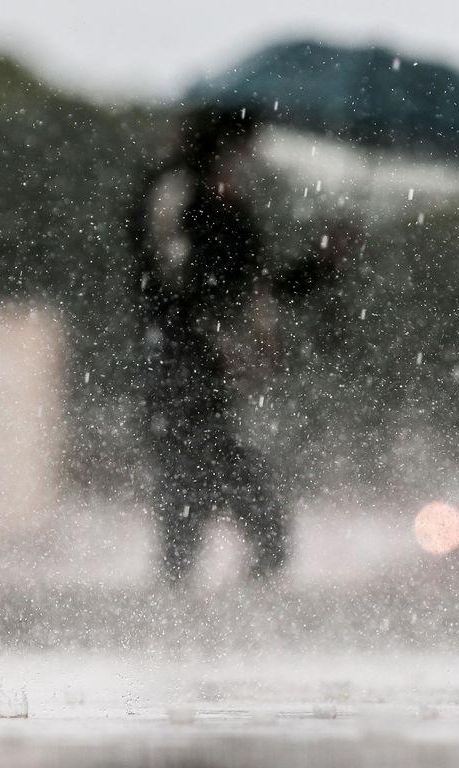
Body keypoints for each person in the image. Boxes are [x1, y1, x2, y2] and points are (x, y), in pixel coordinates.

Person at [127, 107, 342, 582]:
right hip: (177, 374)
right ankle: (193, 629)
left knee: (204, 513)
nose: (249, 159)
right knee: (212, 512)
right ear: (220, 145)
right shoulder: (177, 192)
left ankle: (199, 627)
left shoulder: (223, 202)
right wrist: (213, 214)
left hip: (203, 381)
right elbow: (173, 279)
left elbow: (254, 289)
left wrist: (319, 266)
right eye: (243, 147)